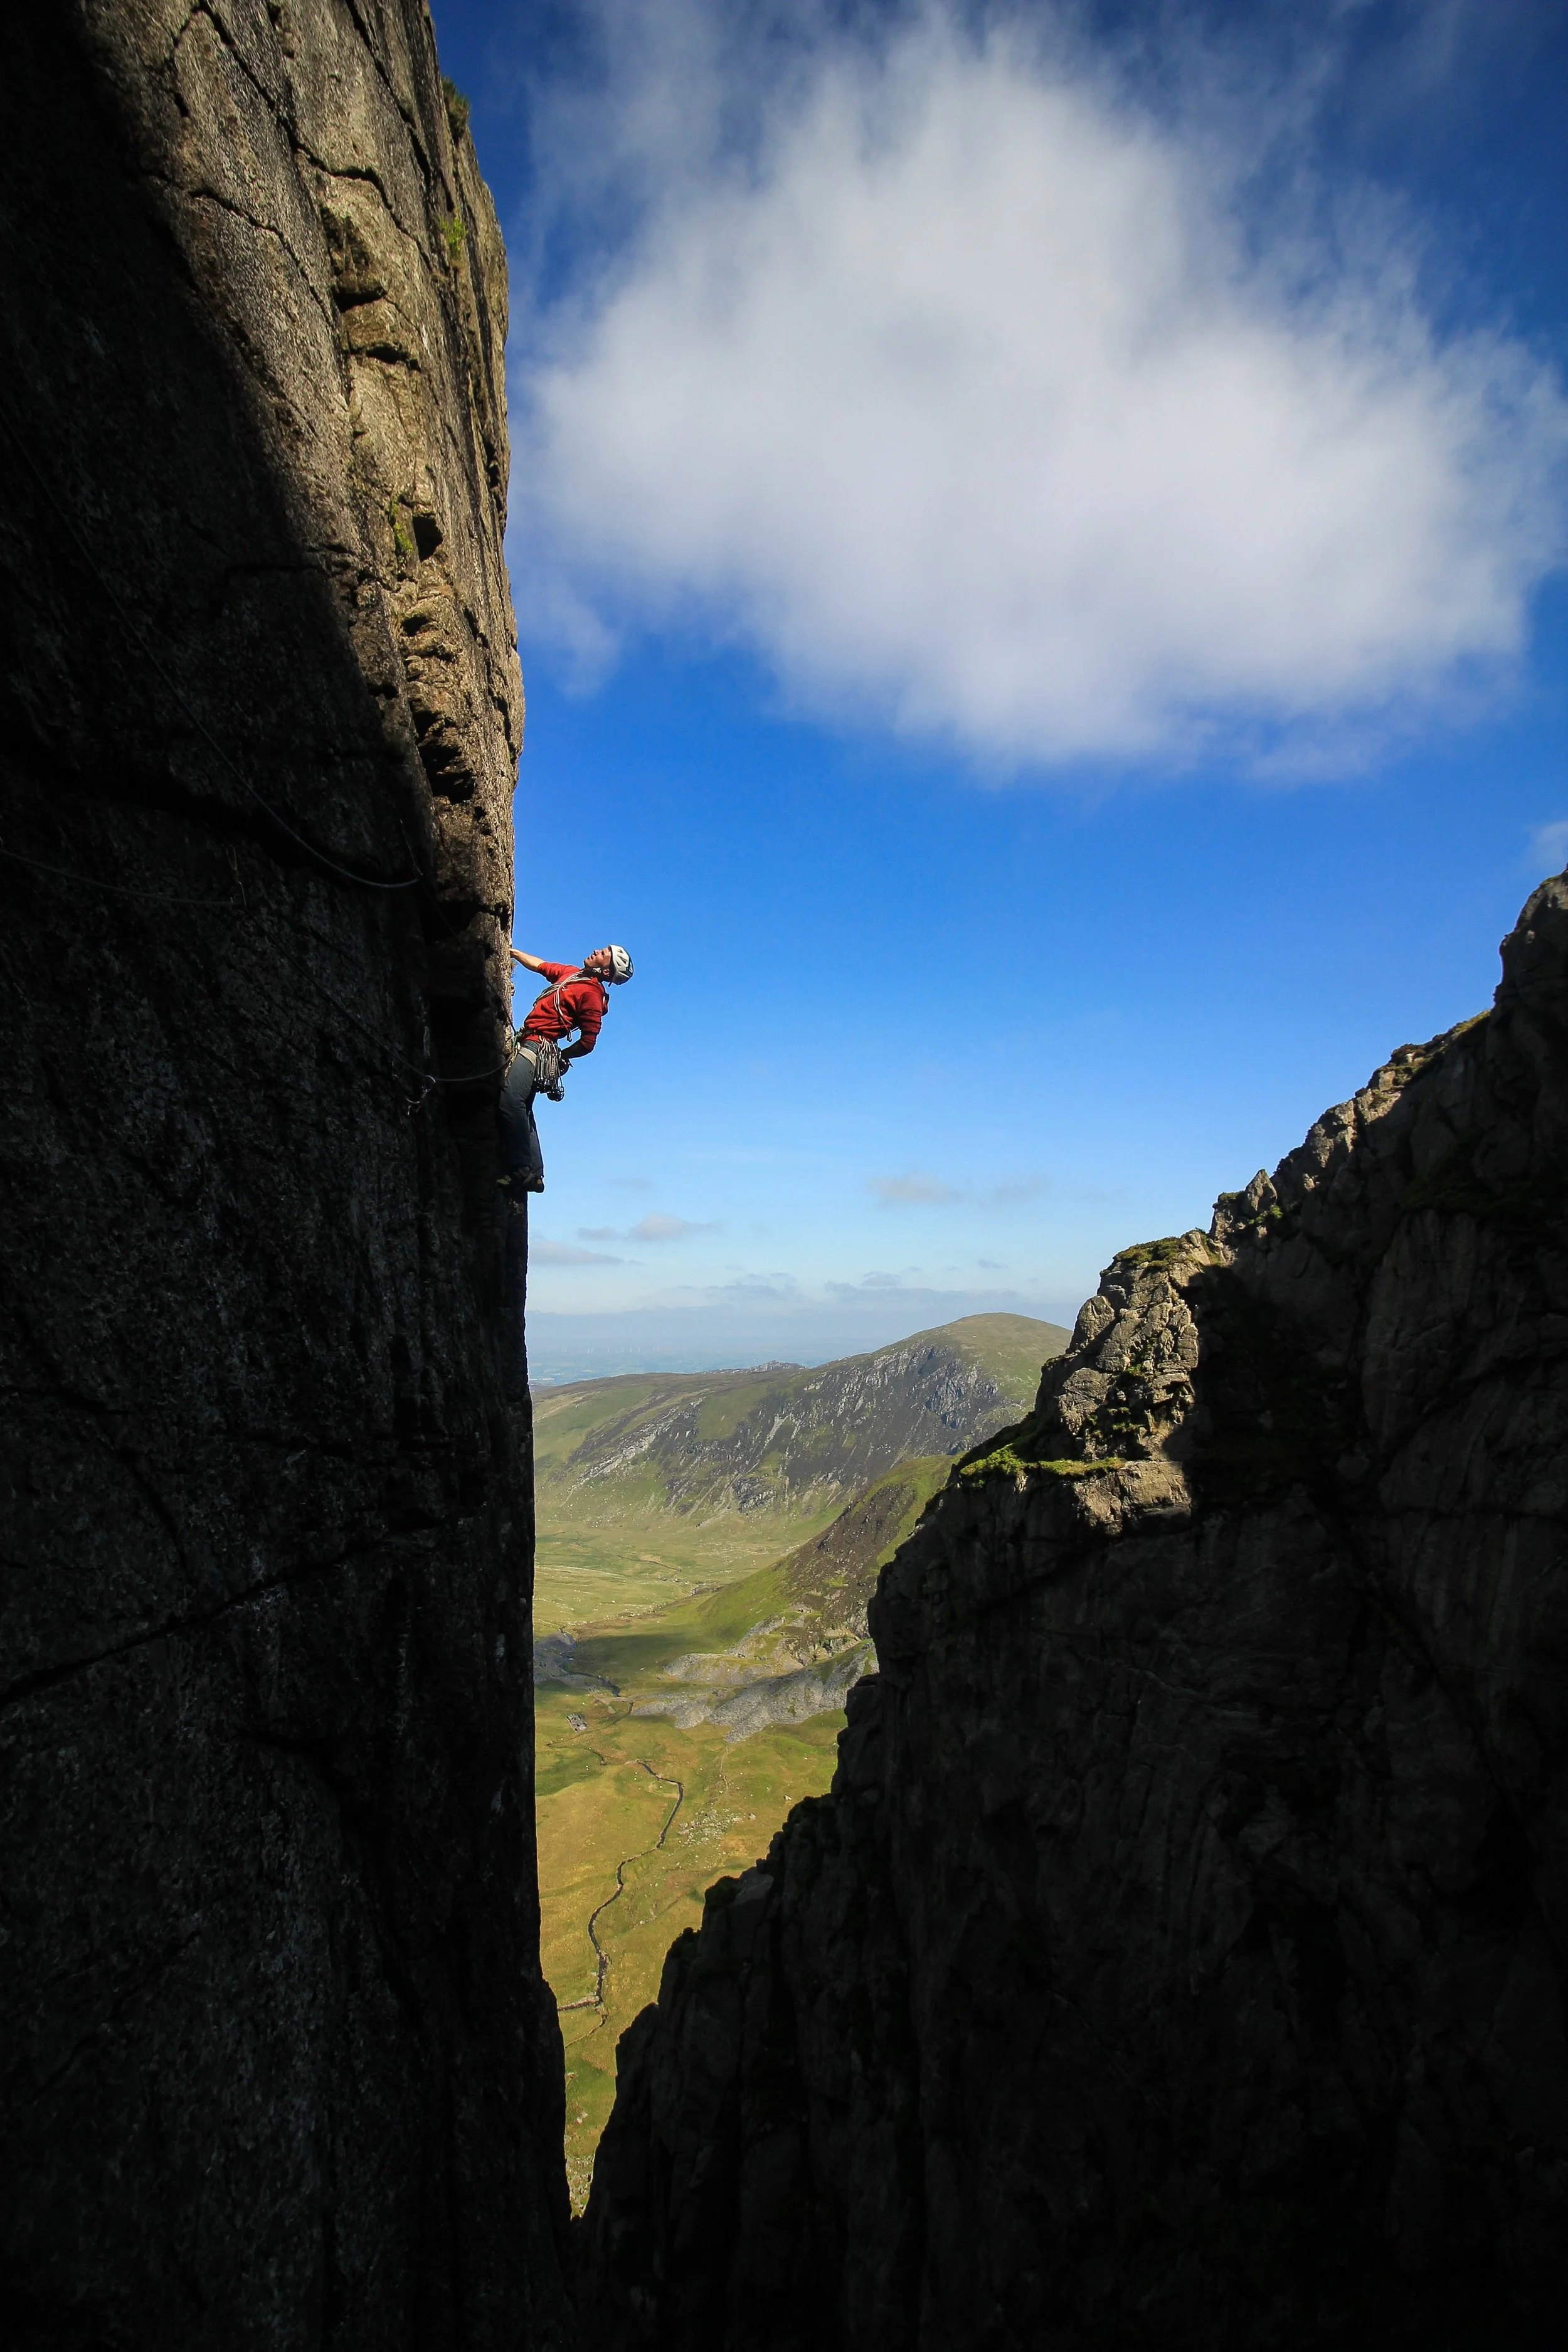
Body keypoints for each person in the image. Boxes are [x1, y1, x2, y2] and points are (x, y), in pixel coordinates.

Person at [497, 943, 633, 1200]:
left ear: (606, 972)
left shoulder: (591, 995)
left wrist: (562, 1056)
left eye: (604, 954)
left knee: (509, 1101)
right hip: (533, 1043)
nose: (597, 951)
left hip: (538, 1046)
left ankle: (520, 1169)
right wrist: (513, 953)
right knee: (522, 1108)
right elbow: (541, 965)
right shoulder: (571, 975)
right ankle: (535, 1173)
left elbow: (588, 1041)